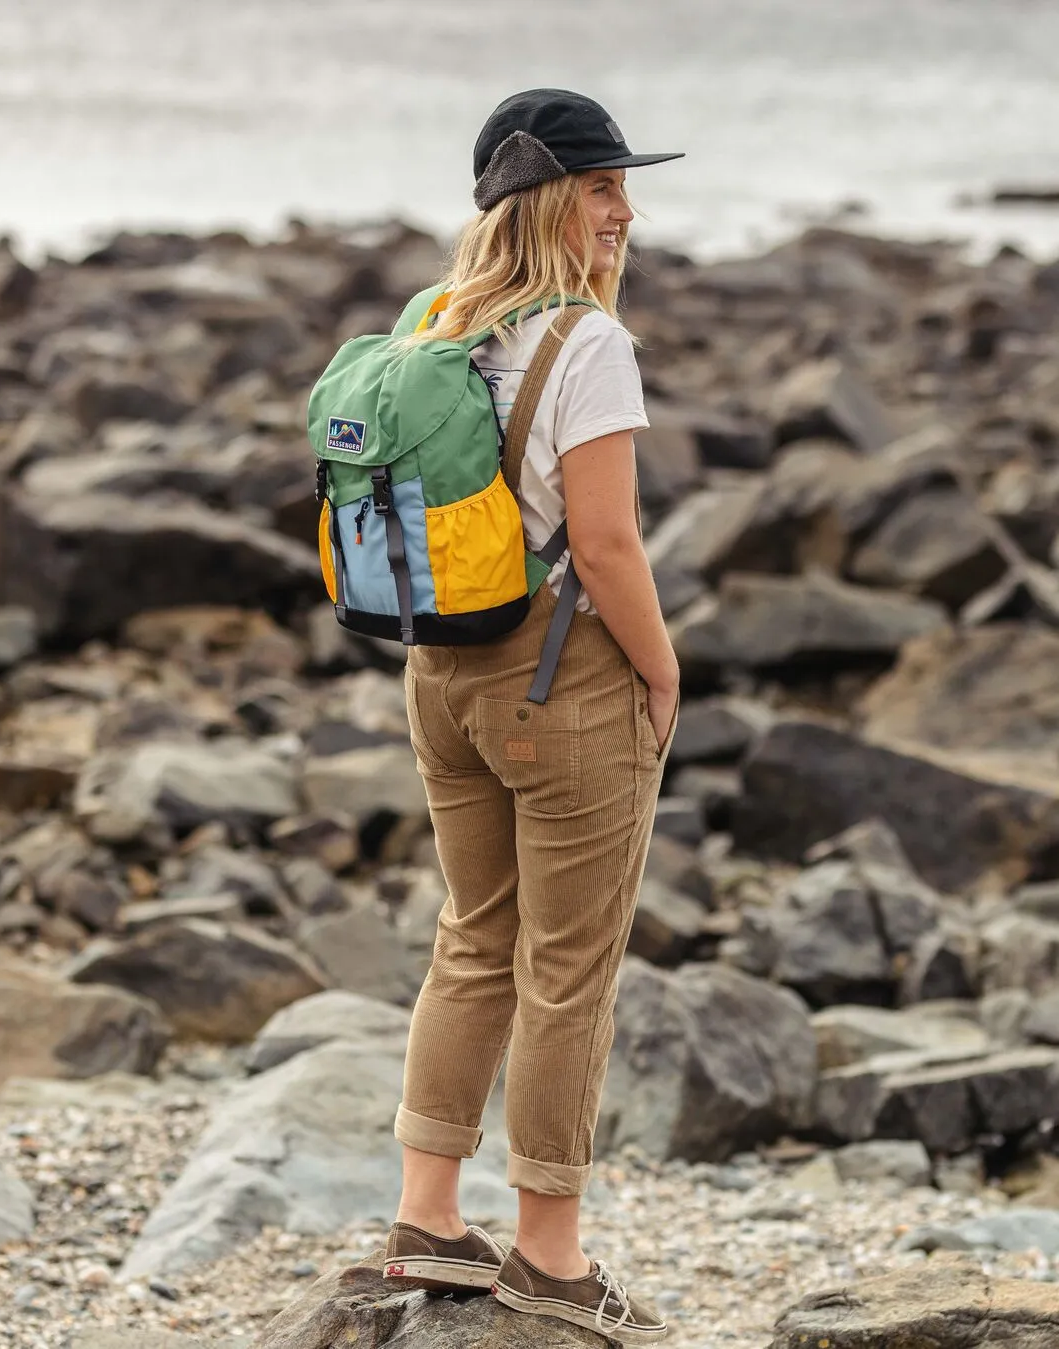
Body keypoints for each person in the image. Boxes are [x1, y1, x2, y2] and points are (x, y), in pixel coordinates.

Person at [383, 88, 684, 1345]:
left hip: (439, 677)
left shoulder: (434, 327)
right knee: (568, 973)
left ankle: (428, 1219)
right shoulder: (587, 346)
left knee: (473, 939)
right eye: (604, 186)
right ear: (552, 201)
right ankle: (550, 1255)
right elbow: (608, 546)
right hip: (560, 685)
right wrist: (663, 673)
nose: (626, 209)